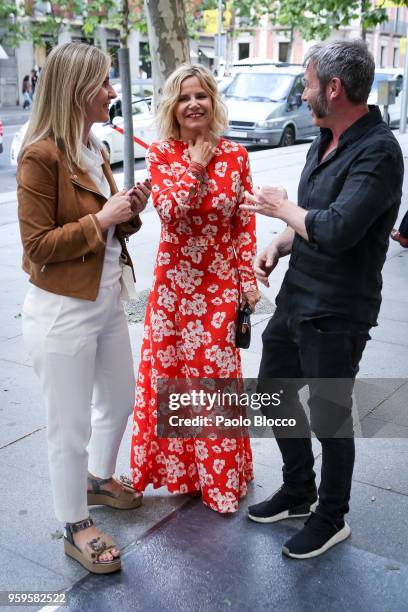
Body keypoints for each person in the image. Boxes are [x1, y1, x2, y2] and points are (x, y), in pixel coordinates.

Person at [241, 40, 404, 558]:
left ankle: (331, 517)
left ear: (334, 88)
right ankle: (297, 489)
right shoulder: (324, 137)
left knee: (328, 414)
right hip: (297, 297)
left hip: (338, 308)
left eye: (308, 83)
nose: (304, 92)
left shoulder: (378, 150)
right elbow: (313, 218)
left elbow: (335, 230)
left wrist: (283, 211)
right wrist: (280, 243)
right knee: (273, 388)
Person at [17, 42, 151, 574]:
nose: (113, 92)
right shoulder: (40, 155)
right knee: (67, 425)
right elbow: (38, 247)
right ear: (76, 90)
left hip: (106, 299)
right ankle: (75, 524)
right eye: (104, 84)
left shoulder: (92, 146)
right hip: (61, 311)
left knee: (120, 398)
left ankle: (97, 479)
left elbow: (112, 222)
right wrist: (101, 221)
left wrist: (128, 210)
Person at [130, 63, 260, 513]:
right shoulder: (162, 154)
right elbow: (170, 212)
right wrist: (195, 166)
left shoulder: (238, 155)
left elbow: (244, 224)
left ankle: (222, 483)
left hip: (219, 287)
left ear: (213, 101)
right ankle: (186, 474)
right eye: (184, 97)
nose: (193, 104)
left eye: (201, 95)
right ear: (173, 106)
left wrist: (247, 281)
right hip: (172, 293)